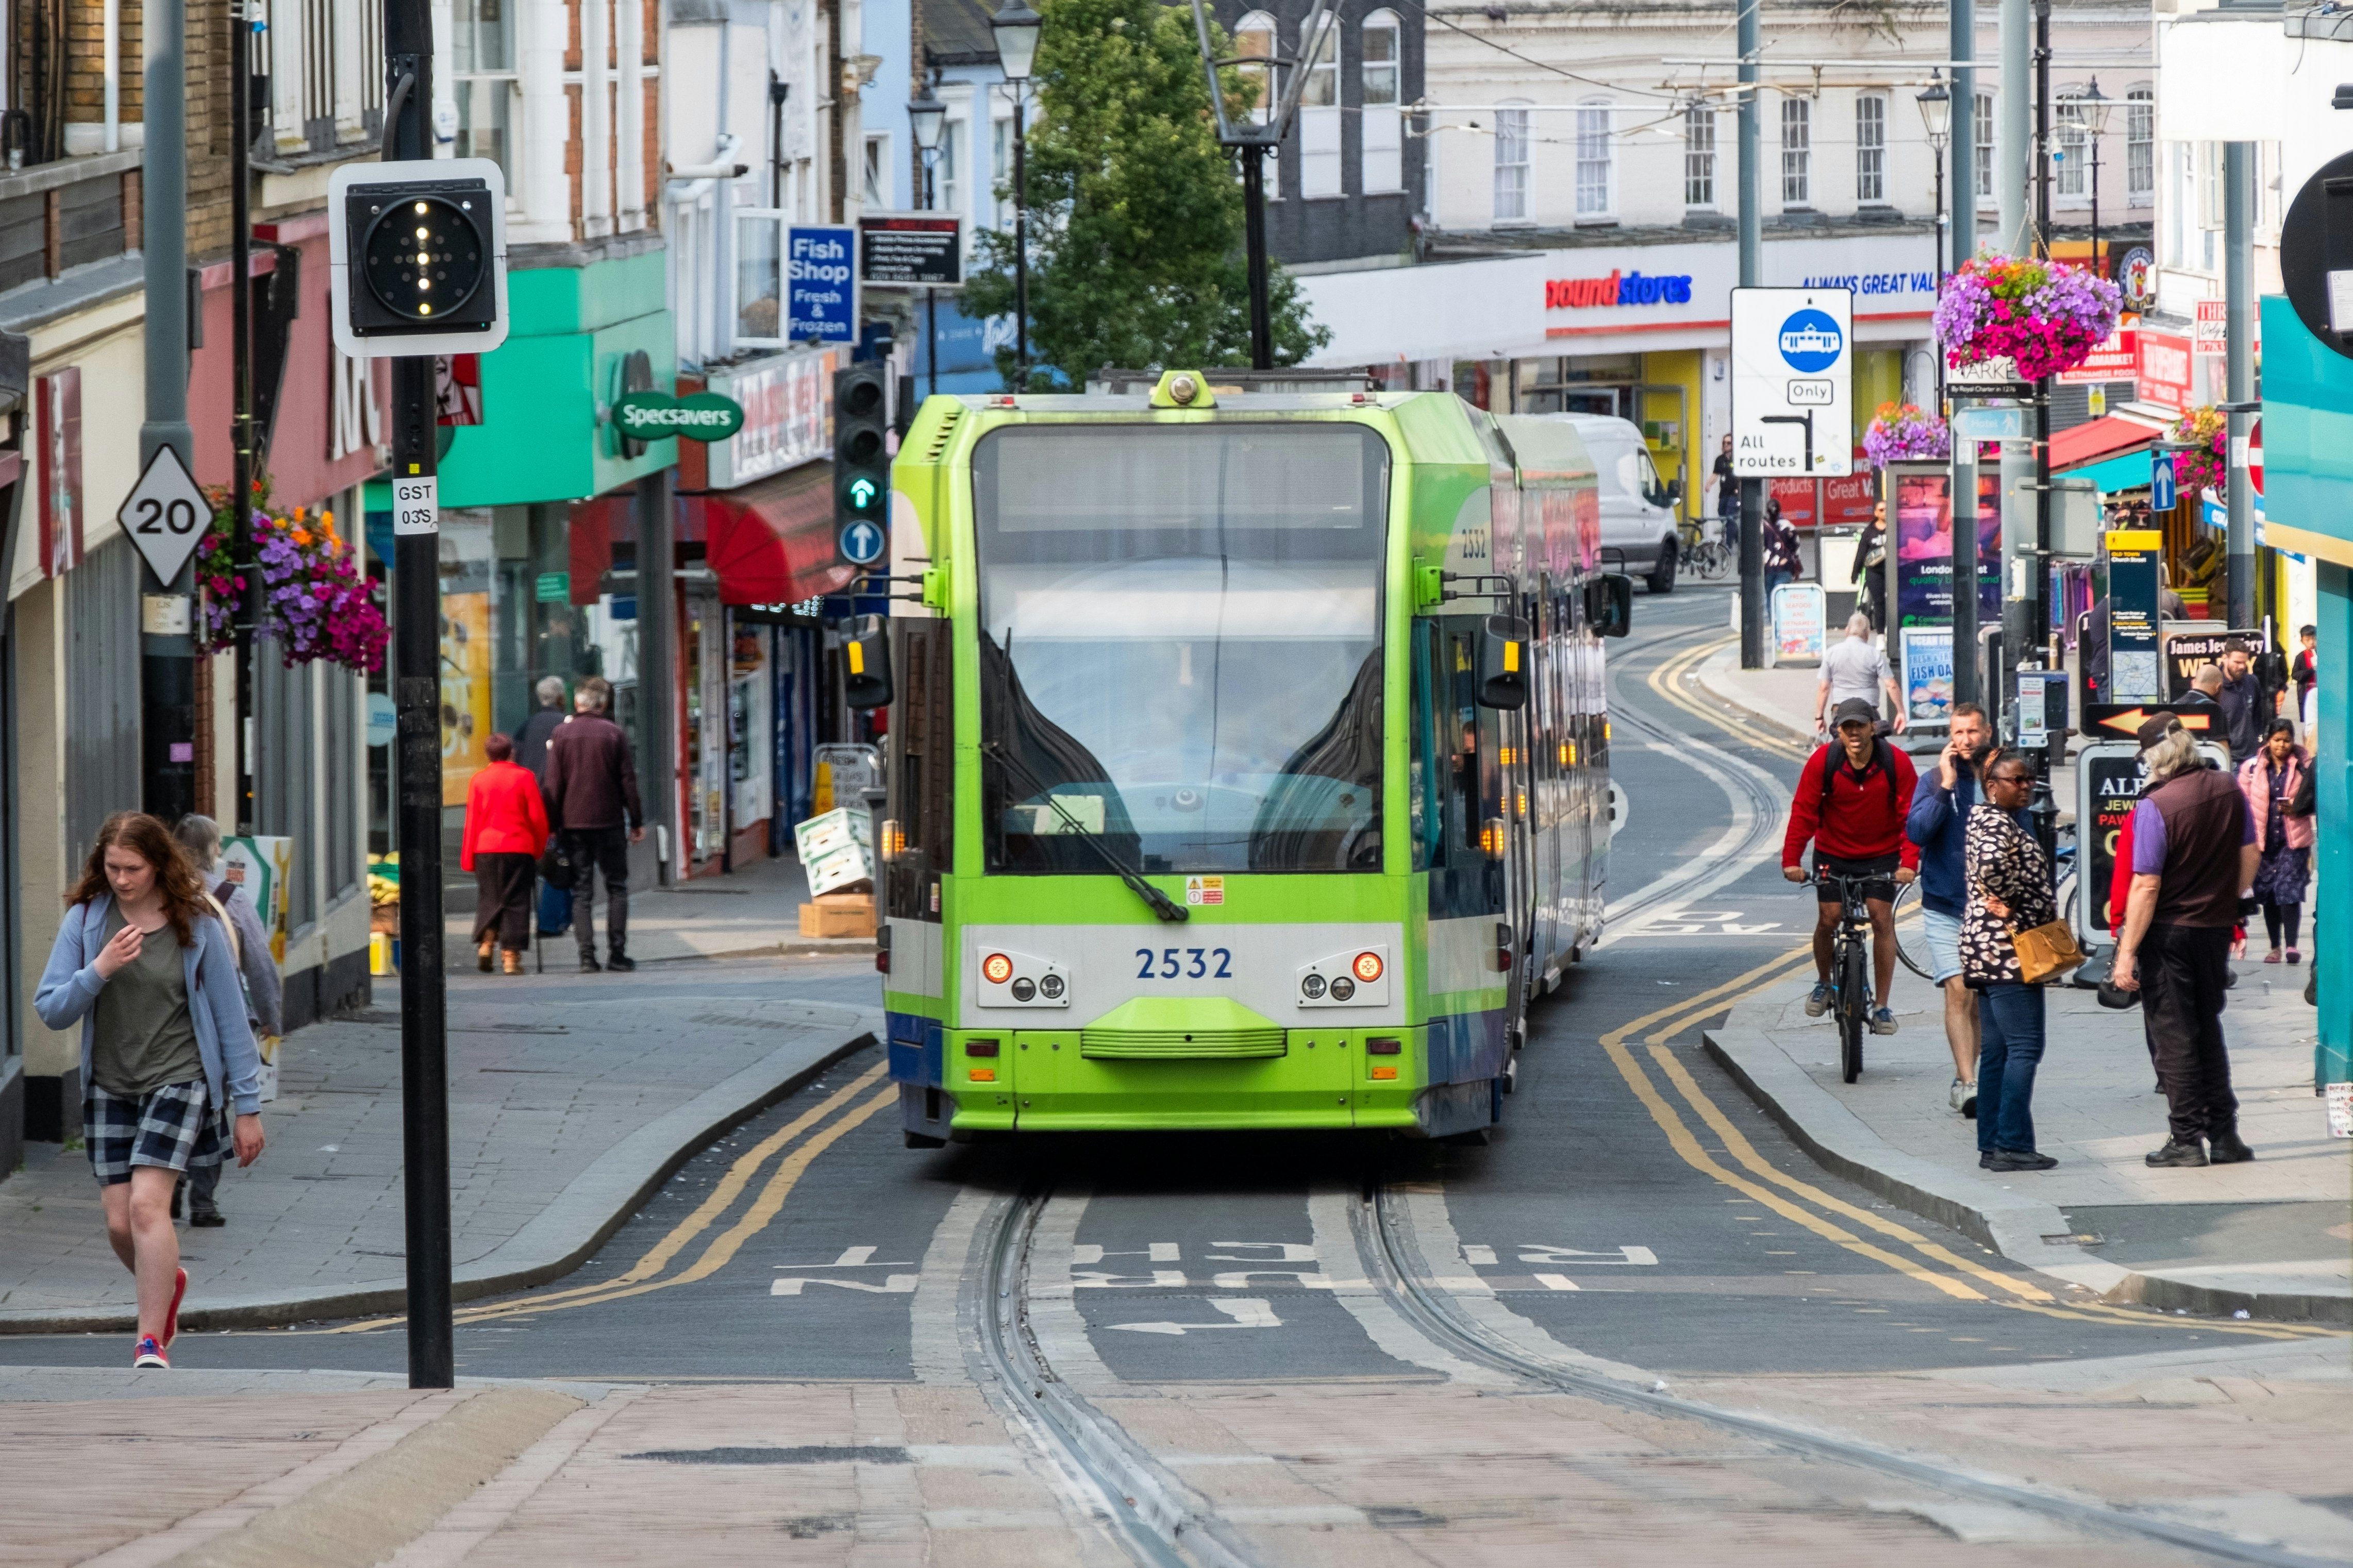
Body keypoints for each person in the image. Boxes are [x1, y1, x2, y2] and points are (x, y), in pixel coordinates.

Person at [34, 813, 265, 1370]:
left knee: (145, 1207)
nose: (121, 879)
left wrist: (248, 1108)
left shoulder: (196, 921)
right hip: (110, 1084)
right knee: (119, 1223)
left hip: (179, 1077)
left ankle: (148, 1339)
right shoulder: (87, 921)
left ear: (158, 864)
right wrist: (100, 968)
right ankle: (167, 1281)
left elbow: (231, 1018)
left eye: (132, 868)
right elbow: (51, 1009)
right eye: (112, 867)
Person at [2112, 715, 2259, 1167]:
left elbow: (2146, 885)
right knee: (2207, 1029)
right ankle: (2225, 1135)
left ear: (2156, 757)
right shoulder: (2228, 787)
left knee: (2173, 1035)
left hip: (2170, 933)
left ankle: (2185, 1139)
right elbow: (2250, 852)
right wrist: (2228, 899)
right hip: (2213, 929)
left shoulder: (2155, 805)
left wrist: (2126, 953)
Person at [169, 815, 282, 1228]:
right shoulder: (228, 895)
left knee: (173, 1099)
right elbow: (259, 960)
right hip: (222, 1017)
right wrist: (271, 1017)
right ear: (213, 849)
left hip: (172, 1017)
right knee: (215, 1106)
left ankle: (171, 1181)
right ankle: (203, 1201)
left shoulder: (159, 892)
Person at [1784, 697, 1921, 1036]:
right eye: (1847, 727)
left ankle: (1882, 1006)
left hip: (1881, 854)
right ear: (1838, 732)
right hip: (1833, 853)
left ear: (1873, 727)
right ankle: (1824, 982)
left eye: (1860, 725)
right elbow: (1803, 811)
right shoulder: (1823, 761)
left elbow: (1911, 818)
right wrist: (1791, 860)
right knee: (1828, 919)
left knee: (1881, 919)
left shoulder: (1896, 763)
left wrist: (1908, 862)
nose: (1854, 732)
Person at [1959, 747, 2061, 1172]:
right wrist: (2014, 897)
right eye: (2015, 780)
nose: (2025, 786)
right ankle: (2013, 1144)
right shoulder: (1996, 823)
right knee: (2025, 1046)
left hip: (1990, 951)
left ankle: (1992, 1144)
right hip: (2008, 953)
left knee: (1998, 1049)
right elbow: (1992, 863)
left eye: (2028, 778)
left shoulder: (1992, 820)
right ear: (1992, 787)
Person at [1905, 701, 1991, 1115]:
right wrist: (1943, 784)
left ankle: (1968, 1075)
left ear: (1986, 732)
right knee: (1959, 990)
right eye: (1957, 733)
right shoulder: (1932, 781)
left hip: (1989, 908)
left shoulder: (2000, 778)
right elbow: (1918, 831)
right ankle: (1969, 1082)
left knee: (1979, 995)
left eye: (1971, 732)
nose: (1964, 740)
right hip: (1944, 905)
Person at [543, 674, 646, 973]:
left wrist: (552, 825)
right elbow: (628, 781)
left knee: (582, 892)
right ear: (603, 704)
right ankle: (618, 954)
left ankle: (587, 957)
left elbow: (553, 784)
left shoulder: (561, 734)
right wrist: (636, 820)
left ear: (577, 702)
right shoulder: (614, 734)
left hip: (573, 825)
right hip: (609, 822)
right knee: (617, 887)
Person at [462, 732, 552, 975]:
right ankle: (511, 958)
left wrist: (468, 857)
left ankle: (486, 944)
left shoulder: (479, 780)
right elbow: (537, 819)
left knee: (490, 897)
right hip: (518, 847)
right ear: (511, 752)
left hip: (486, 848)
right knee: (516, 901)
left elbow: (473, 821)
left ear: (487, 754)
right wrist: (538, 848)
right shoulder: (524, 778)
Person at [2238, 718, 2312, 965]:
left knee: (2290, 892)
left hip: (2293, 840)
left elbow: (2315, 797)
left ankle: (2291, 945)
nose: (2282, 746)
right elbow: (2243, 803)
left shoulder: (2304, 766)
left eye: (2287, 740)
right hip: (2263, 842)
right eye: (2277, 740)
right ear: (2268, 740)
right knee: (2268, 893)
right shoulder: (2252, 768)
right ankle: (2274, 947)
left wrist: (2299, 807)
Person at [516, 677, 575, 942]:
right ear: (562, 699)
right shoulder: (566, 725)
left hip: (527, 801)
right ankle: (552, 920)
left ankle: (559, 918)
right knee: (559, 859)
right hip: (555, 803)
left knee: (543, 860)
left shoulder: (527, 726)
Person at [1814, 613, 1906, 737]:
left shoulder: (1831, 653)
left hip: (1840, 710)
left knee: (1841, 745)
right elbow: (1891, 685)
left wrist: (1819, 717)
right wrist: (1901, 711)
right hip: (1868, 709)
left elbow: (1824, 688)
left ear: (1847, 630)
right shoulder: (1875, 654)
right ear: (1867, 634)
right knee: (1876, 747)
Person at [2215, 638, 2263, 764]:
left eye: (2244, 662)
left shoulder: (2252, 682)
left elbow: (2259, 718)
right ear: (2225, 658)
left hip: (2251, 757)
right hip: (2226, 760)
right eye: (2237, 662)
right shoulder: (2214, 685)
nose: (2242, 667)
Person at [1852, 501, 1888, 633]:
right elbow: (1861, 552)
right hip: (1875, 571)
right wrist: (1855, 573)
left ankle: (1892, 630)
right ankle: (1880, 633)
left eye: (1887, 509)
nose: (1885, 512)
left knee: (1893, 602)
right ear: (1876, 513)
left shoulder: (1895, 528)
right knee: (1879, 602)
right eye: (1882, 510)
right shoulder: (1869, 531)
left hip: (1892, 571)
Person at [2291, 625, 2317, 721]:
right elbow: (2295, 675)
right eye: (2307, 640)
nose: (2311, 642)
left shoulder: (2323, 654)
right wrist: (2311, 670)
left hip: (2321, 693)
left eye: (2314, 639)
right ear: (2302, 641)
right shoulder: (2301, 657)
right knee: (2308, 721)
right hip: (2306, 694)